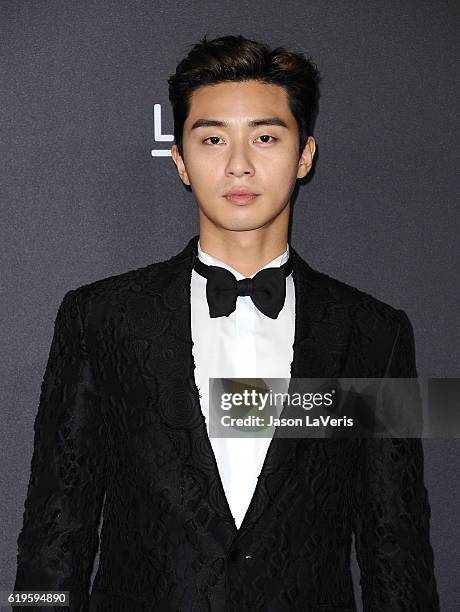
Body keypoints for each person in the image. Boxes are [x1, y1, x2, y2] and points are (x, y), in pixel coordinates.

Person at [14, 34, 439, 611]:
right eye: (213, 139)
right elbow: (55, 531)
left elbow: (396, 548)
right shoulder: (101, 317)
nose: (239, 164)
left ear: (305, 155)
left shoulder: (373, 334)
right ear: (181, 160)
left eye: (265, 137)